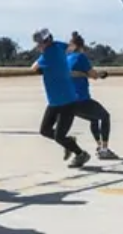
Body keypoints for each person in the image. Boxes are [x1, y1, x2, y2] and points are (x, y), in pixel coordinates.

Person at [30, 28, 92, 167]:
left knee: (59, 136)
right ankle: (69, 142)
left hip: (67, 101)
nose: (38, 46)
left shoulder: (50, 53)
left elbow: (33, 68)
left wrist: (43, 69)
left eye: (40, 43)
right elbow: (71, 47)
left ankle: (81, 154)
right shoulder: (58, 45)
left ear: (47, 41)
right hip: (54, 101)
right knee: (45, 130)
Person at [66, 31, 117, 159]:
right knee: (105, 116)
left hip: (68, 101)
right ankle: (104, 149)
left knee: (94, 118)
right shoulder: (80, 57)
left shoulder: (66, 59)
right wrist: (102, 74)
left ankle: (99, 145)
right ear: (82, 47)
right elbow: (93, 75)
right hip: (81, 99)